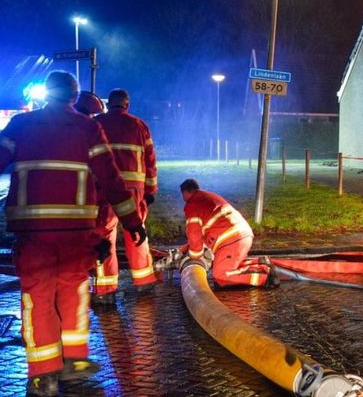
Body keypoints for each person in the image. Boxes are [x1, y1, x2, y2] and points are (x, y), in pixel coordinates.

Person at [0, 71, 146, 396]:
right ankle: (73, 366)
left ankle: (42, 375)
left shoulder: (21, 126)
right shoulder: (88, 127)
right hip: (76, 233)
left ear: (46, 93)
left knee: (37, 300)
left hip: (33, 232)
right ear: (74, 96)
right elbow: (111, 179)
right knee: (73, 295)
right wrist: (133, 222)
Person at [93, 89, 159, 299]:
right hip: (134, 190)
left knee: (104, 235)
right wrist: (150, 191)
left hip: (106, 189)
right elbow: (150, 161)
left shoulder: (98, 123)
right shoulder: (139, 125)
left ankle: (105, 290)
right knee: (137, 233)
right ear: (127, 105)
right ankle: (144, 281)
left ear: (108, 104)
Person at [179, 179, 277, 288]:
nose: (183, 199)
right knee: (230, 267)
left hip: (231, 240)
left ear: (185, 192)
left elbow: (194, 234)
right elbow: (205, 231)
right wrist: (185, 248)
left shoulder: (192, 204)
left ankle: (265, 278)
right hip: (242, 236)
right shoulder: (209, 196)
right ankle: (260, 263)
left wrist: (194, 256)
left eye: (182, 195)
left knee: (220, 275)